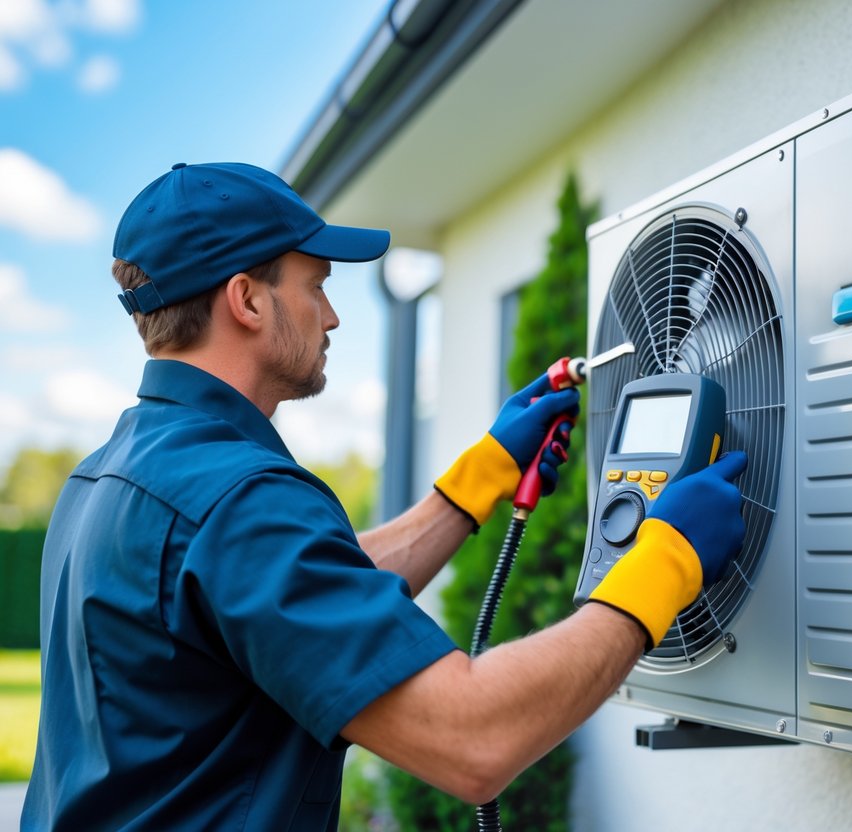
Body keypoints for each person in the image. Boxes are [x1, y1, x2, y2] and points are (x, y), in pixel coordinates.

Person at [21, 162, 747, 831]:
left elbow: (294, 607)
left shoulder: (105, 477)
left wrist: (482, 476)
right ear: (244, 298)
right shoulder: (238, 501)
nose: (331, 317)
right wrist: (666, 561)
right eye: (315, 285)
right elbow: (473, 738)